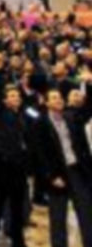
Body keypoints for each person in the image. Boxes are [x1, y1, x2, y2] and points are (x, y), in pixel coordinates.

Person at [35, 84, 92, 247]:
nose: (58, 100)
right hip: (57, 174)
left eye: (60, 97)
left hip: (77, 170)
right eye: (54, 98)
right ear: (46, 103)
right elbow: (40, 154)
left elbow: (88, 110)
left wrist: (88, 85)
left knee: (86, 213)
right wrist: (51, 176)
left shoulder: (71, 117)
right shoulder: (41, 123)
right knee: (58, 217)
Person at [0, 82, 30, 247]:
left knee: (17, 207)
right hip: (1, 168)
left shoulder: (22, 115)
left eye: (17, 95)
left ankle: (18, 240)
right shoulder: (0, 114)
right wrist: (2, 73)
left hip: (18, 168)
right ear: (4, 100)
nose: (16, 98)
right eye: (12, 96)